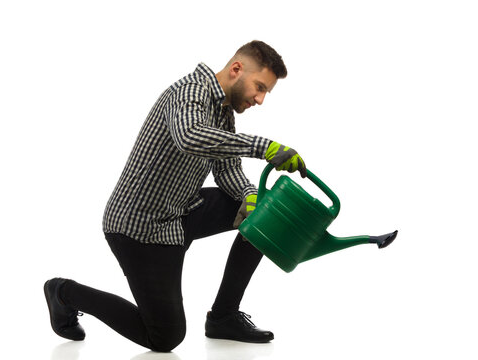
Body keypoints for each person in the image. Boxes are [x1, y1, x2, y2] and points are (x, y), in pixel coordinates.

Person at [44, 40, 307, 352]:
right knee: (164, 338)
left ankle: (223, 317)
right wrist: (265, 147)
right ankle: (63, 292)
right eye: (259, 87)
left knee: (264, 214)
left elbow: (226, 170)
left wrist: (249, 195)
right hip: (140, 227)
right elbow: (189, 136)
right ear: (237, 69)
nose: (260, 99)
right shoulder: (190, 92)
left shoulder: (223, 113)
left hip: (181, 212)